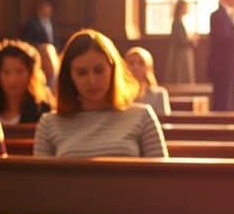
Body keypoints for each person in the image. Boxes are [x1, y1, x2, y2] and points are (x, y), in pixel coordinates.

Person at [33, 29, 168, 158]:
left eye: (99, 71)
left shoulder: (142, 116)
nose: (92, 81)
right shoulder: (49, 124)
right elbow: (41, 180)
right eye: (81, 73)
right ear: (69, 76)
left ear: (113, 70)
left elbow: (160, 177)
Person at [0, 39, 54, 125]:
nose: (13, 79)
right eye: (6, 72)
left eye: (19, 72)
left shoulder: (43, 113)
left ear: (31, 74)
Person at [126, 46, 171, 116]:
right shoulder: (119, 94)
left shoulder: (159, 94)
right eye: (131, 63)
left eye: (141, 63)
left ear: (148, 67)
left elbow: (164, 120)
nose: (136, 67)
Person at [166, 0, 196, 84]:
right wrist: (191, 41)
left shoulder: (179, 21)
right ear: (182, 8)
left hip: (182, 52)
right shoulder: (177, 22)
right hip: (180, 54)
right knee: (180, 75)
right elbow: (181, 40)